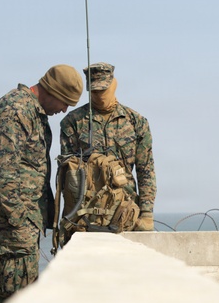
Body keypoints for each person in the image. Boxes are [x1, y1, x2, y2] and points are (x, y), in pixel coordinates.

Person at [0, 64, 83, 303]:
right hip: (10, 227)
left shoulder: (32, 113)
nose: (64, 109)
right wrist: (19, 221)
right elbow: (2, 169)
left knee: (17, 297)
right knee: (17, 300)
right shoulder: (17, 110)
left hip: (20, 226)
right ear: (52, 91)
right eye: (65, 102)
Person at [59, 62, 156, 230]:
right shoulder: (73, 122)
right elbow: (69, 173)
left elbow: (145, 169)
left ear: (113, 85)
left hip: (125, 211)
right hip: (87, 214)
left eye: (103, 90)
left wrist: (146, 212)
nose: (99, 96)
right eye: (94, 91)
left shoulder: (136, 122)